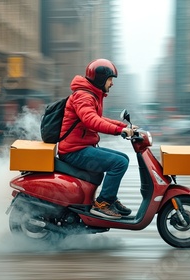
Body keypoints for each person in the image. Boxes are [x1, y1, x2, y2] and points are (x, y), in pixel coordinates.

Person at [58, 58, 135, 219]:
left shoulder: (91, 94)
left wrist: (123, 128)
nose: (112, 83)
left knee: (123, 158)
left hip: (81, 147)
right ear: (100, 78)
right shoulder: (84, 96)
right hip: (74, 151)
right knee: (119, 163)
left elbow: (100, 118)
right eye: (110, 79)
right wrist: (118, 131)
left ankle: (110, 198)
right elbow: (91, 121)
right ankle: (102, 203)